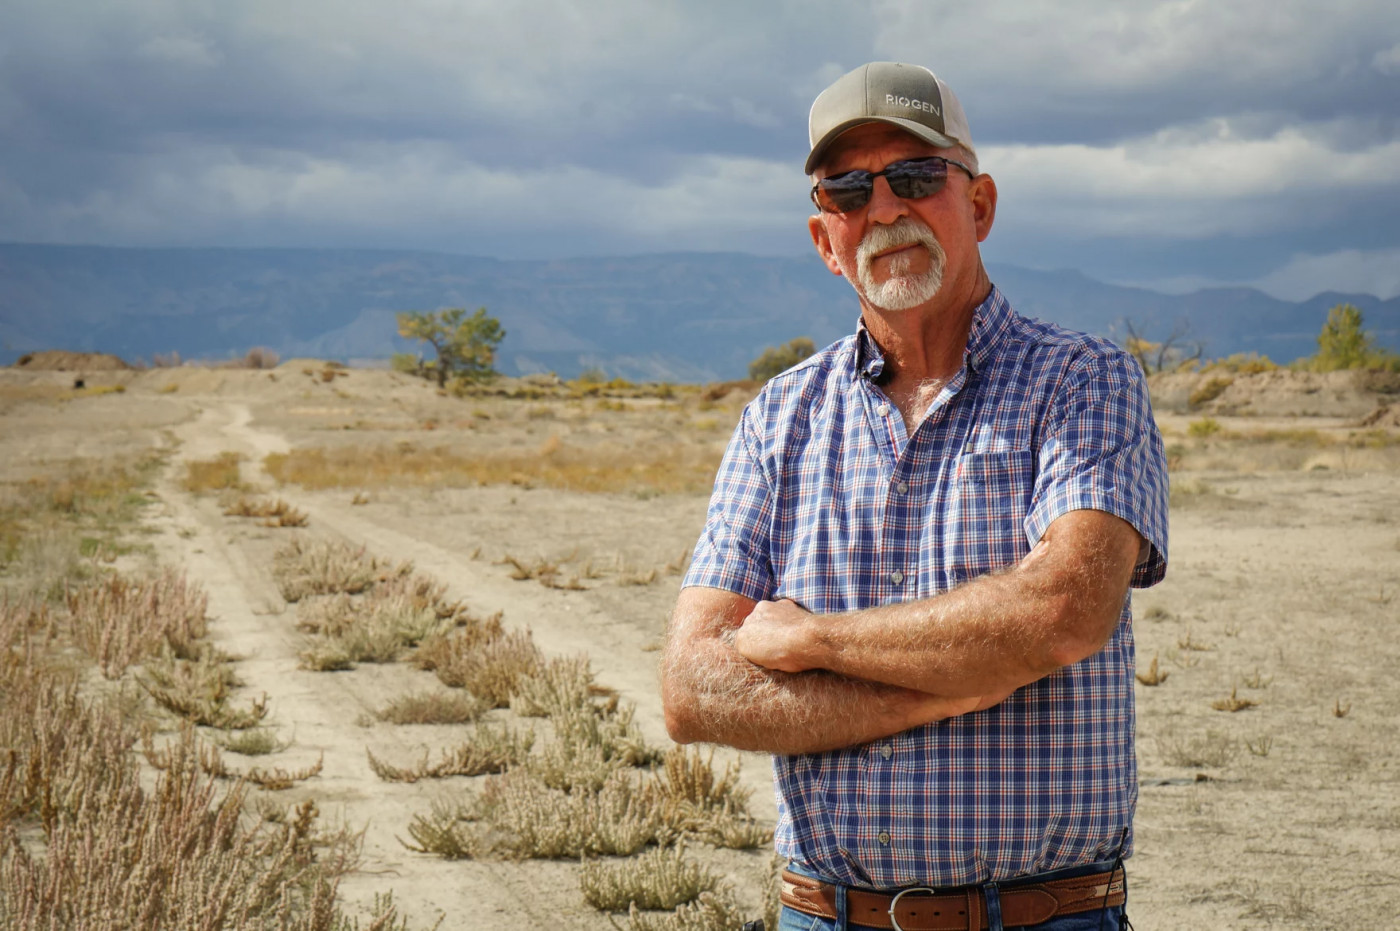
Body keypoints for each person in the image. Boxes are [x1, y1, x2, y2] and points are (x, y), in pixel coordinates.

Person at [661, 61, 1168, 931]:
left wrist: (814, 639)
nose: (885, 207)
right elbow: (694, 687)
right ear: (827, 240)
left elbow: (1064, 612)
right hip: (825, 914)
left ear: (979, 205)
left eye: (917, 176)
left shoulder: (1083, 382)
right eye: (850, 189)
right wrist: (955, 682)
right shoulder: (780, 417)